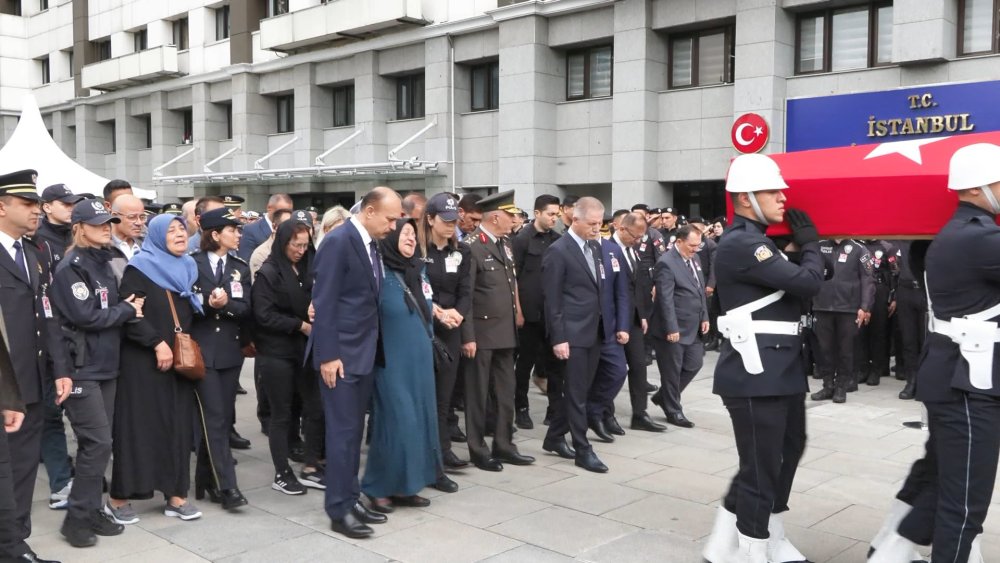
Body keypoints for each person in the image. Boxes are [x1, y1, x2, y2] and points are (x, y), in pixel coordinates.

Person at [869, 143, 1000, 563]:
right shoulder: (979, 238)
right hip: (966, 384)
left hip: (958, 377)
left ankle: (891, 548)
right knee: (964, 506)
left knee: (946, 480)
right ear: (979, 188)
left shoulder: (957, 233)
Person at [703, 154, 823, 563]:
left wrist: (799, 247)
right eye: (773, 190)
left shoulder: (763, 243)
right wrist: (810, 246)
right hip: (756, 372)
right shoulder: (743, 243)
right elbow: (808, 283)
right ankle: (752, 549)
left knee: (788, 449)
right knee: (761, 465)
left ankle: (751, 536)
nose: (783, 196)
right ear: (745, 198)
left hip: (781, 368)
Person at [50, 201, 143, 547]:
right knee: (97, 443)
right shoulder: (71, 267)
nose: (107, 227)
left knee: (101, 445)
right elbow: (87, 316)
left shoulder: (103, 261)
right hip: (81, 369)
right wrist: (126, 309)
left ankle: (89, 510)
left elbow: (106, 309)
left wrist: (123, 309)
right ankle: (77, 518)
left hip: (106, 365)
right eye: (100, 223)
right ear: (80, 227)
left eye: (109, 222)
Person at [311, 187, 402, 539]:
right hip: (342, 356)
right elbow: (326, 301)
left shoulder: (369, 243)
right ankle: (338, 509)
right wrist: (329, 355)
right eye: (390, 218)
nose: (393, 226)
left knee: (352, 435)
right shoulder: (339, 241)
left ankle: (350, 498)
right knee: (342, 436)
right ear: (369, 211)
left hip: (362, 353)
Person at [106, 214, 204, 524]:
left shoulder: (188, 267)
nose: (179, 235)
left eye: (182, 230)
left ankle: (176, 495)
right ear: (158, 235)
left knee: (177, 428)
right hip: (144, 363)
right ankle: (119, 498)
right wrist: (155, 343)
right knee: (140, 429)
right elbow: (131, 314)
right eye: (171, 230)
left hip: (179, 363)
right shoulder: (140, 268)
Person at [0, 170, 69, 563]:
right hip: (4, 387)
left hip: (33, 384)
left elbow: (48, 317)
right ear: (1, 206)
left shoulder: (32, 252)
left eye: (36, 204)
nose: (36, 211)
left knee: (24, 472)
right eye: (26, 204)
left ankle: (16, 544)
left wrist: (60, 368)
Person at [361, 218, 445, 512]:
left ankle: (408, 485)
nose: (410, 239)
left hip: (419, 359)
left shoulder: (418, 270)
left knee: (420, 422)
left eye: (413, 234)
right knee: (396, 421)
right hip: (390, 360)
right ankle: (377, 486)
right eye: (405, 234)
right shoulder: (377, 270)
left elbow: (427, 304)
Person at [460, 190, 534, 472]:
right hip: (481, 332)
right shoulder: (470, 246)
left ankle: (504, 444)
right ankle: (478, 449)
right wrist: (467, 336)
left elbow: (510, 282)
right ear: (495, 217)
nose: (514, 220)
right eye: (510, 215)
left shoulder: (505, 244)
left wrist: (517, 313)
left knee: (506, 391)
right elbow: (465, 295)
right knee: (478, 394)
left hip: (504, 330)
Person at [252, 219, 324, 495]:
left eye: (305, 245)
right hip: (277, 352)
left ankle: (310, 465)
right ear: (283, 244)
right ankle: (282, 471)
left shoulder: (308, 267)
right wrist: (300, 324)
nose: (301, 250)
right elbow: (264, 314)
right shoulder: (269, 272)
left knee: (315, 407)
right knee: (282, 414)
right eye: (296, 245)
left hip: (304, 352)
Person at [542, 196, 611, 473]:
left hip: (593, 331)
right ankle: (583, 449)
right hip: (571, 334)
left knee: (580, 390)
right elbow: (552, 299)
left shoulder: (594, 248)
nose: (598, 228)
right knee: (575, 393)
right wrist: (558, 338)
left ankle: (554, 436)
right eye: (593, 224)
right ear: (575, 219)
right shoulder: (559, 251)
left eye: (601, 223)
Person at [189, 208, 251, 511]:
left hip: (229, 351)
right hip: (201, 352)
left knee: (221, 419)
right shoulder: (191, 264)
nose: (238, 234)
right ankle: (228, 486)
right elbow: (182, 303)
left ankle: (205, 479)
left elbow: (245, 308)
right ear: (215, 234)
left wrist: (226, 305)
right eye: (232, 229)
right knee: (213, 417)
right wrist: (205, 302)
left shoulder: (240, 267)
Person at [33, 184, 82, 511]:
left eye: (72, 204)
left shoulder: (77, 237)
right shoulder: (36, 242)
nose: (70, 208)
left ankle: (84, 474)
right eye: (64, 204)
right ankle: (61, 482)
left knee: (84, 415)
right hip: (50, 340)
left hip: (79, 340)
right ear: (47, 207)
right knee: (51, 416)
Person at [421, 194, 471, 475]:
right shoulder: (417, 251)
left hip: (451, 327)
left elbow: (466, 291)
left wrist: (458, 314)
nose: (451, 225)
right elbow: (416, 288)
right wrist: (437, 311)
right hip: (424, 327)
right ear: (430, 219)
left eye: (455, 221)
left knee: (445, 395)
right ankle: (426, 449)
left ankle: (443, 449)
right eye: (446, 220)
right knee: (424, 393)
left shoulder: (461, 252)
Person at [649, 225, 709, 429]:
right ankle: (673, 409)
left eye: (698, 245)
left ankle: (663, 396)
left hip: (694, 325)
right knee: (672, 372)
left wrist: (704, 316)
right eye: (691, 245)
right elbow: (664, 299)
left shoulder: (695, 258)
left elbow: (700, 289)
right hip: (673, 328)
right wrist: (671, 328)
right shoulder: (666, 263)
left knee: (694, 364)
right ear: (679, 241)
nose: (695, 249)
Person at [608, 212, 664, 432]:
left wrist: (642, 314)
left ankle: (640, 414)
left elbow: (639, 285)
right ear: (621, 229)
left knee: (639, 367)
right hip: (612, 319)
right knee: (613, 370)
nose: (639, 241)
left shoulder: (633, 250)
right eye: (635, 236)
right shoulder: (605, 249)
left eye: (642, 237)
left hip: (633, 318)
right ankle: (606, 413)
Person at [511, 194, 561, 428]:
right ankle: (521, 407)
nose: (554, 219)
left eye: (557, 215)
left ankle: (554, 409)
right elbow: (513, 278)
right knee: (525, 363)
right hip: (529, 315)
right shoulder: (521, 239)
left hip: (552, 314)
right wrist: (518, 311)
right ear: (538, 213)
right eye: (551, 214)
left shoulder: (558, 240)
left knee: (555, 364)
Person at [583, 222, 632, 441]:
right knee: (585, 377)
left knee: (618, 371)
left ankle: (594, 410)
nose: (595, 229)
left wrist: (622, 326)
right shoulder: (576, 248)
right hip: (585, 327)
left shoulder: (613, 250)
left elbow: (622, 292)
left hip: (610, 327)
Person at [810, 238, 875, 403]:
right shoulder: (820, 246)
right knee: (825, 349)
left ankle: (841, 387)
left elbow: (868, 279)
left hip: (849, 308)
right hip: (822, 306)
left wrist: (865, 306)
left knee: (845, 350)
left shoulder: (859, 249)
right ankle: (827, 385)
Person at [855, 239, 899, 387]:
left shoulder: (887, 247)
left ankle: (876, 370)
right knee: (861, 331)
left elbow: (895, 272)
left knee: (878, 331)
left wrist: (894, 297)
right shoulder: (858, 246)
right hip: (861, 290)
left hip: (880, 290)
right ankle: (863, 368)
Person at [893, 241, 927, 400]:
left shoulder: (927, 239)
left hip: (924, 290)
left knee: (925, 339)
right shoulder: (900, 240)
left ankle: (926, 380)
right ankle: (911, 380)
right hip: (904, 290)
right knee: (908, 340)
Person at [240, 194, 293, 261]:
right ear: (269, 208)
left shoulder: (293, 229)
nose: (285, 215)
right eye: (280, 211)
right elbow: (245, 262)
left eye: (289, 212)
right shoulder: (251, 230)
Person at [109, 195, 145, 260]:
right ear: (114, 216)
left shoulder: (147, 245)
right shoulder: (103, 247)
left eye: (142, 217)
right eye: (132, 217)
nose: (139, 223)